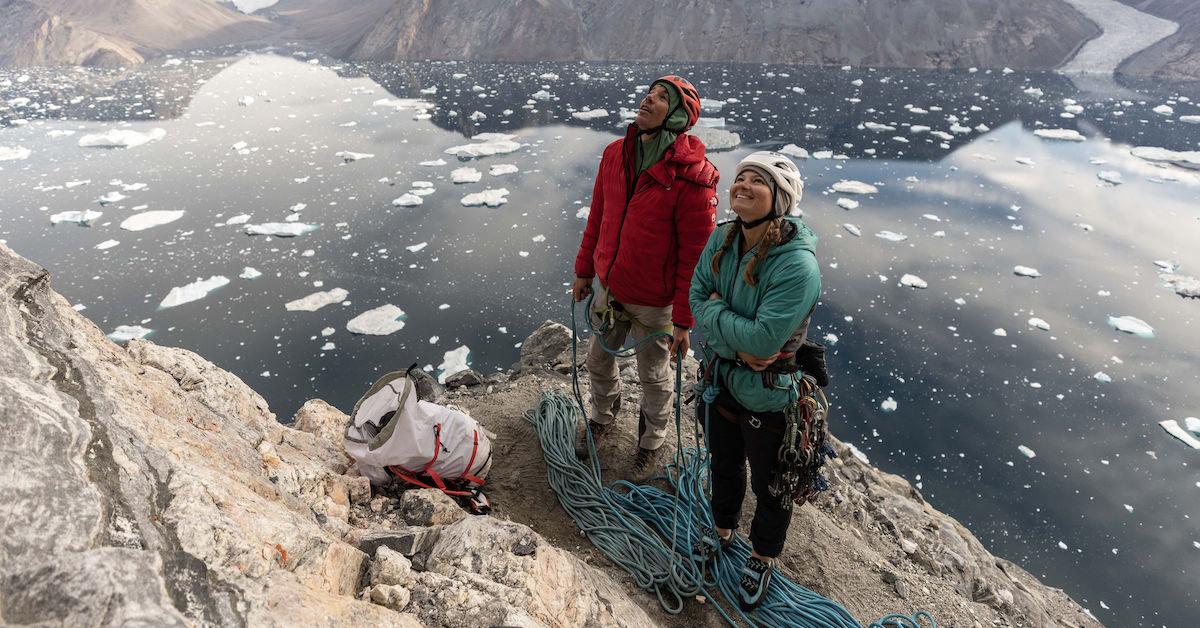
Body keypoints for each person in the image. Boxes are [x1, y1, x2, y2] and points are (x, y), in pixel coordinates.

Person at [687, 151, 819, 610]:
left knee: (771, 484)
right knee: (724, 465)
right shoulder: (722, 239)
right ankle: (722, 530)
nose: (741, 185)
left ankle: (762, 555)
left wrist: (720, 320)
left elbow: (765, 342)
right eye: (739, 177)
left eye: (756, 181)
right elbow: (697, 292)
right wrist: (733, 342)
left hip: (768, 395)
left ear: (779, 199)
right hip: (725, 378)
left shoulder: (796, 265)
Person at [571, 75, 718, 480]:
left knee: (655, 377)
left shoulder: (693, 178)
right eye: (649, 94)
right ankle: (603, 415)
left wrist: (684, 320)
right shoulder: (615, 154)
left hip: (655, 303)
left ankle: (651, 441)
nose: (647, 100)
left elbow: (696, 259)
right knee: (598, 358)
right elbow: (598, 217)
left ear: (677, 116)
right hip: (608, 287)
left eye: (660, 98)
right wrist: (585, 270)